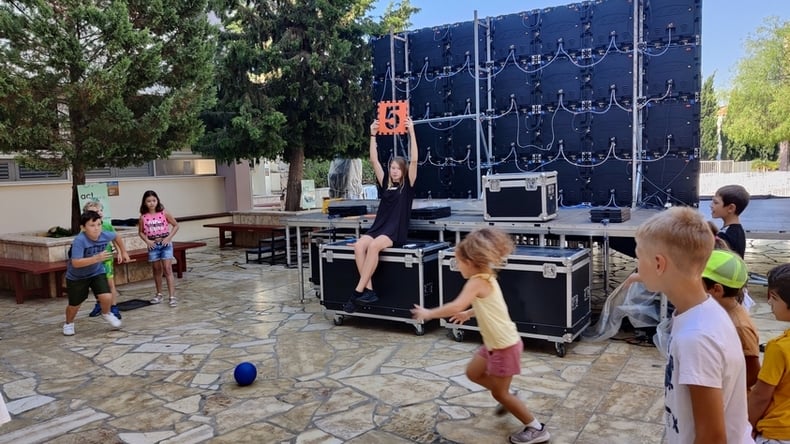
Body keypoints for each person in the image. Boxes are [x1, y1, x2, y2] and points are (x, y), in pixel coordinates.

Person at [411, 228, 550, 444]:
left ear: (470, 262)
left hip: (504, 346)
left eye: (458, 262)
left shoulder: (477, 282)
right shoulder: (487, 277)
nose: (457, 266)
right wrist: (468, 314)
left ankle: (536, 428)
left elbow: (455, 305)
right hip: (495, 343)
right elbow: (488, 305)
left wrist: (429, 313)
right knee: (473, 373)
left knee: (499, 394)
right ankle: (510, 395)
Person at [633, 207, 753, 443]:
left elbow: (712, 438)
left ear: (659, 264)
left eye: (639, 257)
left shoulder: (696, 338)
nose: (637, 266)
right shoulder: (702, 311)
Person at [350, 117, 418, 306]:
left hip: (394, 231)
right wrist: (373, 134)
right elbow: (374, 160)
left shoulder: (408, 185)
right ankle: (369, 290)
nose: (394, 171)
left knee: (373, 247)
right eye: (392, 168)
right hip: (379, 227)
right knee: (359, 246)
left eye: (398, 168)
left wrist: (411, 132)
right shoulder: (386, 183)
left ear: (403, 170)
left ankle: (357, 291)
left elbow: (414, 160)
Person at [702, 249, 760, 390]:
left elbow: (753, 372)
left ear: (717, 289)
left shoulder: (739, 326)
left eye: (698, 284)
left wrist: (725, 392)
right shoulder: (717, 310)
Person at [63, 211, 124, 336]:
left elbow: (116, 236)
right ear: (83, 227)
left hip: (96, 272)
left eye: (99, 224)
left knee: (106, 297)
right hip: (77, 277)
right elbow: (76, 263)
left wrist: (123, 252)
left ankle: (106, 313)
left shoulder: (105, 235)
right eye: (92, 225)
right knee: (75, 305)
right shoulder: (79, 241)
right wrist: (96, 258)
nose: (96, 228)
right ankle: (69, 323)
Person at [748, 263, 790, 443]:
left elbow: (760, 395)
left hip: (776, 432)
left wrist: (747, 426)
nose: (769, 303)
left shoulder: (779, 348)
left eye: (774, 297)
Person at [83, 200, 130, 320]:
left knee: (110, 284)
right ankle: (100, 304)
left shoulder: (107, 226)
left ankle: (113, 307)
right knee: (96, 285)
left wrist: (120, 252)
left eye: (100, 211)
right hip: (94, 260)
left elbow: (115, 238)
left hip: (106, 258)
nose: (98, 213)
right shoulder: (85, 229)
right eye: (94, 212)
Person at [138, 190, 179, 306]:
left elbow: (176, 225)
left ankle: (172, 296)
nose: (152, 203)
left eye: (154, 200)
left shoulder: (164, 213)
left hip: (165, 243)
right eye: (149, 201)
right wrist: (147, 241)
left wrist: (169, 238)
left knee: (167, 268)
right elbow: (140, 232)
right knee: (156, 269)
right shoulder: (143, 218)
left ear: (157, 201)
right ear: (144, 203)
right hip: (153, 245)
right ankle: (159, 294)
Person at [711, 184, 750, 258]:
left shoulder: (726, 236)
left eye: (715, 202)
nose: (711, 205)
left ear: (731, 208)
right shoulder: (736, 231)